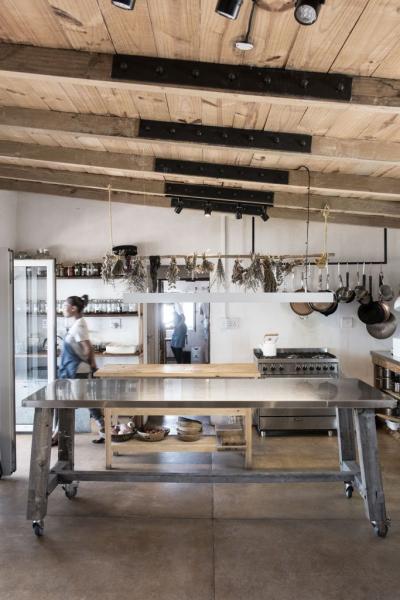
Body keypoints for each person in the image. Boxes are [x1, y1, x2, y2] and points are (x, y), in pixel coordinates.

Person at [52, 295, 105, 445]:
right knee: (89, 402)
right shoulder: (78, 324)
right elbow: (89, 347)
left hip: (76, 371)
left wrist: (90, 366)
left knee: (66, 403)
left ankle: (57, 435)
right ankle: (107, 431)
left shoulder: (79, 325)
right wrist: (92, 366)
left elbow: (87, 348)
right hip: (76, 370)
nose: (62, 309)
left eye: (65, 306)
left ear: (73, 308)